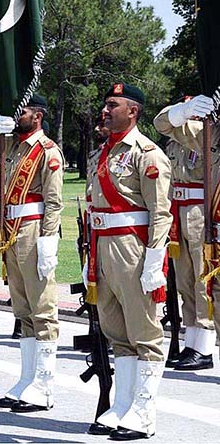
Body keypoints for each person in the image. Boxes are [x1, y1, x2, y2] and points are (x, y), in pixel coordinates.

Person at [76, 83, 173, 440]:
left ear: (132, 111)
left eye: (112, 104)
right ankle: (124, 403)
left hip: (133, 248)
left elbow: (161, 212)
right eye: (105, 104)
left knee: (144, 331)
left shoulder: (146, 153)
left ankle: (144, 412)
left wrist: (154, 259)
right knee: (116, 330)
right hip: (102, 247)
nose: (105, 110)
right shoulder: (104, 152)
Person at [0, 93, 63, 411]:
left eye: (22, 112)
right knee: (23, 310)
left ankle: (44, 383)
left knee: (42, 308)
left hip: (32, 230)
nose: (16, 117)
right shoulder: (8, 146)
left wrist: (49, 240)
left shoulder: (47, 151)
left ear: (37, 116)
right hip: (10, 232)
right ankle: (27, 379)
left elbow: (54, 200)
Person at [154, 94, 220, 376]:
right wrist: (182, 111)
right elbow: (161, 122)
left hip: (201, 211)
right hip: (179, 211)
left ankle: (204, 345)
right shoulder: (194, 131)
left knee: (201, 281)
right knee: (184, 280)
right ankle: (192, 343)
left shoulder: (206, 132)